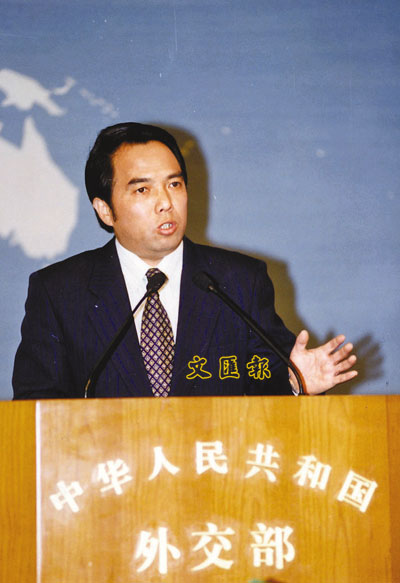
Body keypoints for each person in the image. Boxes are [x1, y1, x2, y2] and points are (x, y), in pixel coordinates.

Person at [12, 122, 357, 400]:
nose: (165, 202)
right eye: (143, 189)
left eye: (174, 184)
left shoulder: (239, 282)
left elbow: (265, 377)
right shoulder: (59, 292)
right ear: (105, 209)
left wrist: (294, 382)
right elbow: (36, 409)